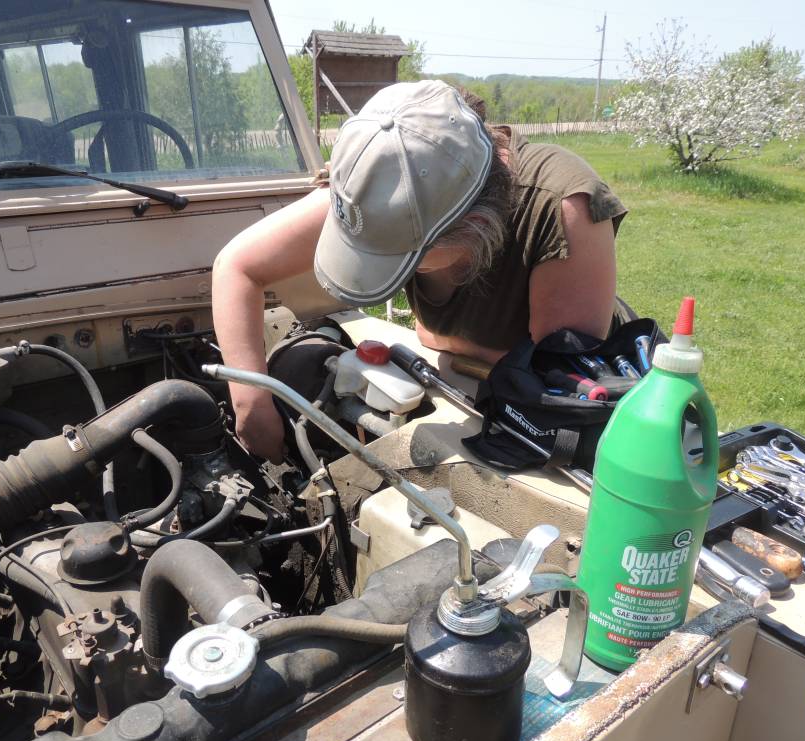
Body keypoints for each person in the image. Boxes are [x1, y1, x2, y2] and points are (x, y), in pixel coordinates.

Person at [212, 80, 627, 463]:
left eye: (400, 257)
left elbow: (548, 389)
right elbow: (237, 266)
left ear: (475, 229)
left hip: (569, 411)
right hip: (464, 373)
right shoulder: (387, 179)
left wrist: (436, 339)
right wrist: (251, 402)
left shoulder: (562, 205)